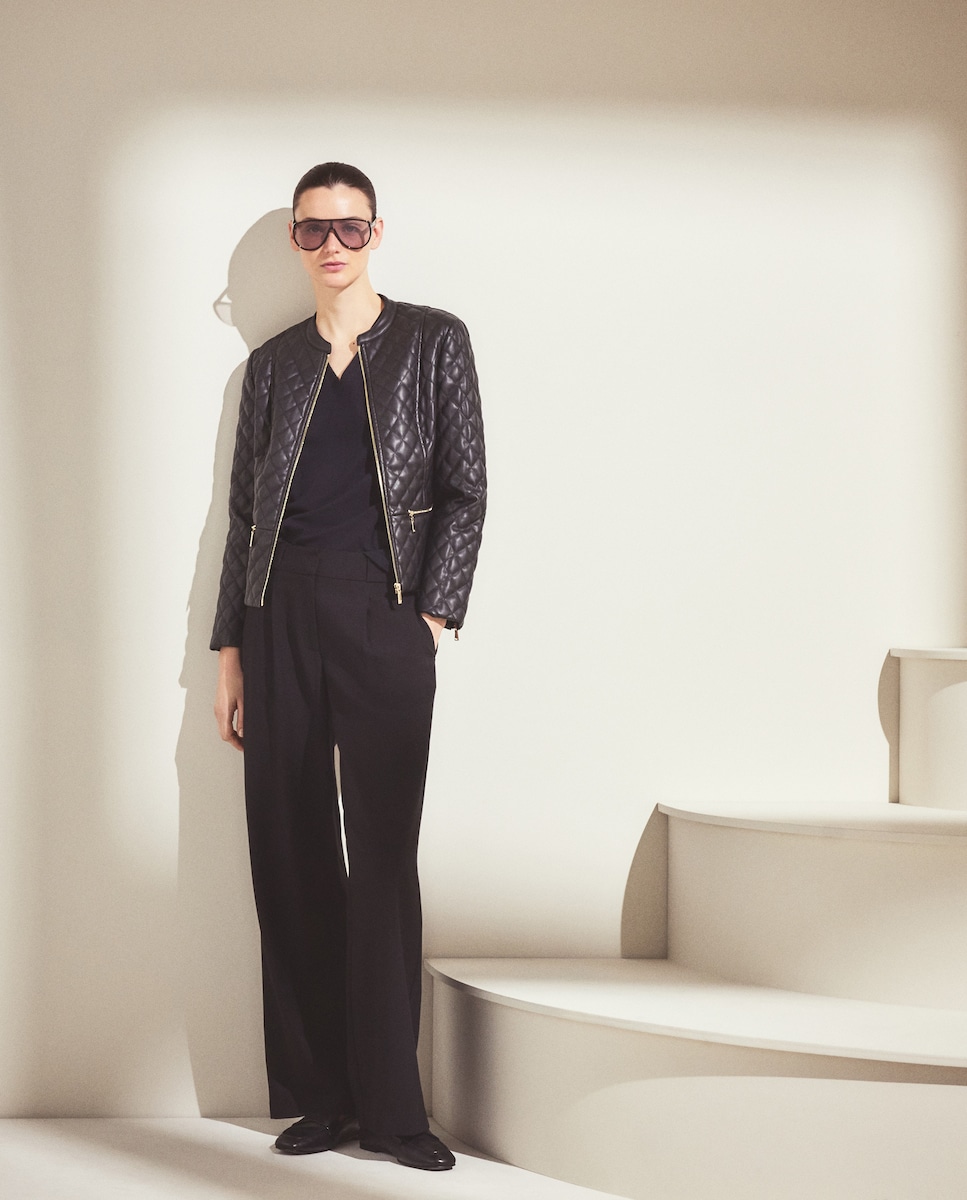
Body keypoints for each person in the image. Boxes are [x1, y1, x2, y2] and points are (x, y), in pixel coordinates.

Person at [211, 162, 486, 1172]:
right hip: (277, 618)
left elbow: (466, 487)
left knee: (380, 861)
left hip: (384, 614)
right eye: (313, 229)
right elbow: (244, 515)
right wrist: (230, 651)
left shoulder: (433, 341)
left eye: (350, 228)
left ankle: (394, 1111)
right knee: (287, 855)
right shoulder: (273, 367)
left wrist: (433, 616)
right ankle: (319, 1098)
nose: (332, 245)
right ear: (296, 240)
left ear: (376, 234)